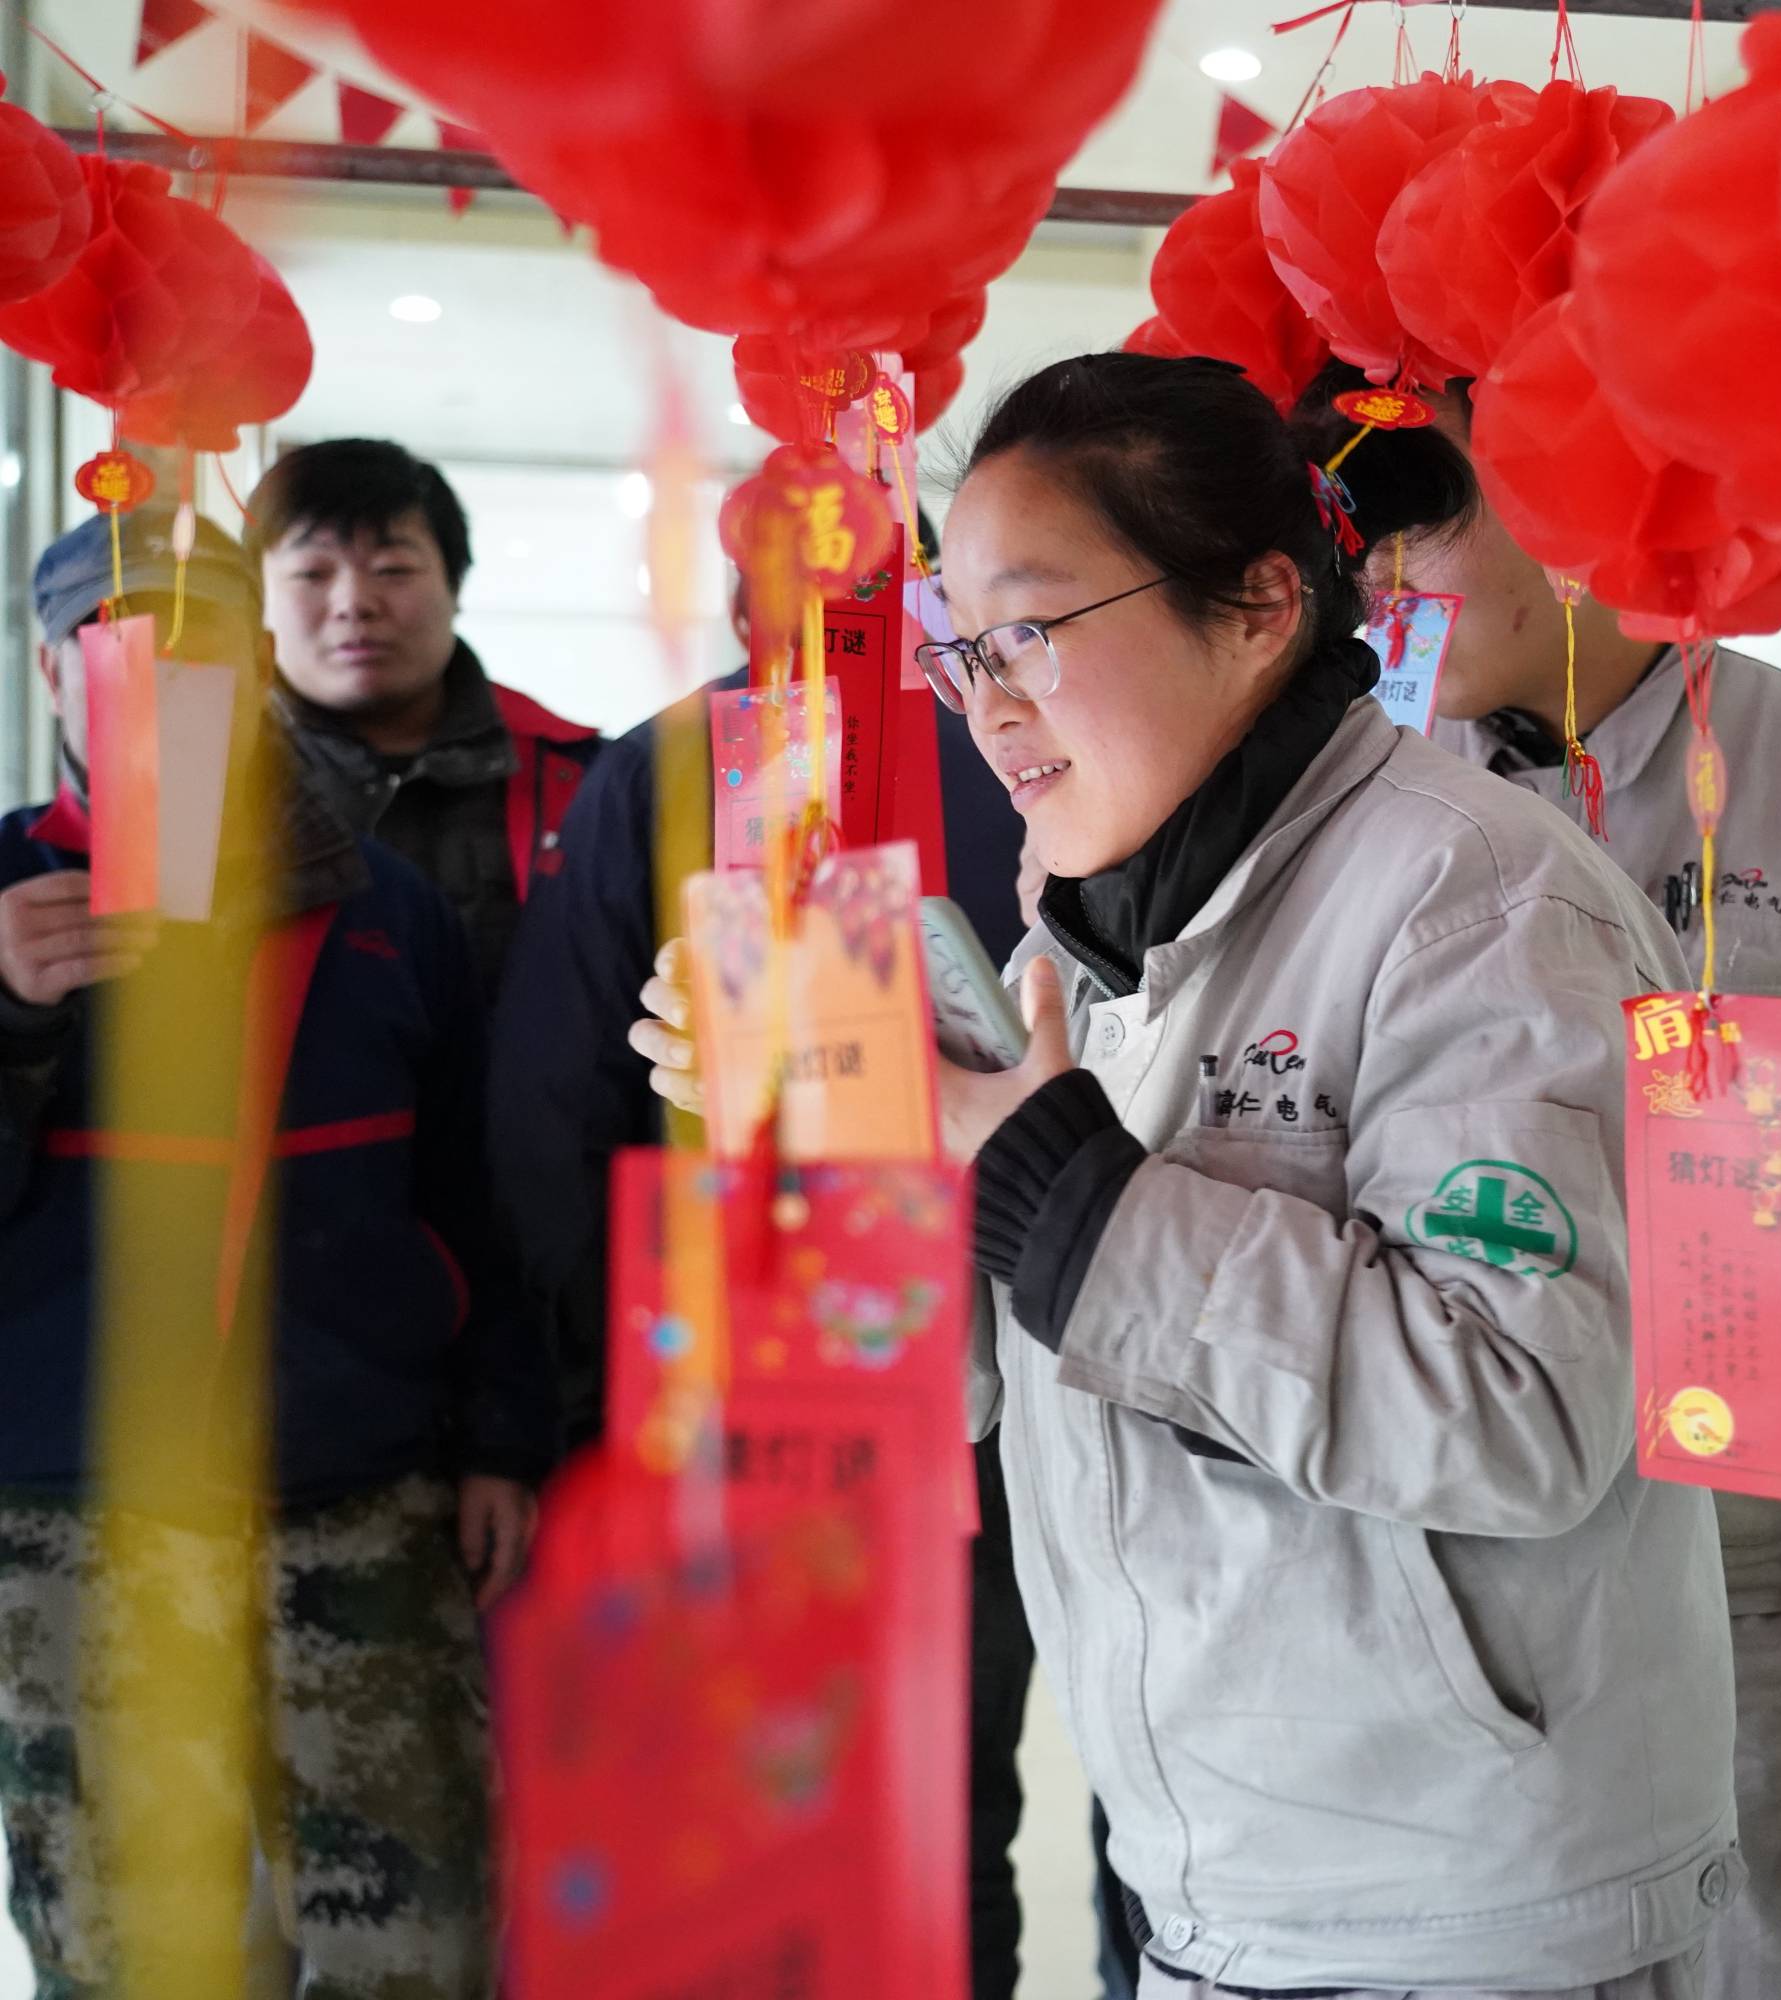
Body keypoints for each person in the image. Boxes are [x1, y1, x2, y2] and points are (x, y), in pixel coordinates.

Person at [635, 351, 1742, 1998]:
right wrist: (849, 1157)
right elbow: (977, 1386)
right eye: (961, 648)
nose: (988, 703)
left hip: (1478, 1914)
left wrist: (1063, 1193)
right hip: (1220, 1885)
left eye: (1032, 631)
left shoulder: (1487, 902)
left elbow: (1519, 1413)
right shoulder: (1078, 945)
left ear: (1259, 608)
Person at [1357, 369, 1781, 2000]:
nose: (1380, 574)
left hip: (1751, 1592)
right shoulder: (1365, 801)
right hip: (1434, 1583)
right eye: (1361, 528)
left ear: (1574, 499)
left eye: (1424, 515)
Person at [0, 508, 554, 1994]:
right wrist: (8, 1014)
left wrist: (500, 1440)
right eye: (113, 645)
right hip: (80, 1516)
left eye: (205, 649)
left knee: (420, 1937)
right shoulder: (3, 895)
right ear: (51, 673)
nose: (163, 680)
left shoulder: (385, 907)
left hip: (359, 1490)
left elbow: (474, 1192)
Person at [488, 556, 1047, 1998]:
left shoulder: (667, 769)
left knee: (750, 1807)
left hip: (749, 1380)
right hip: (1019, 1362)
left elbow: (552, 1115)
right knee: (949, 1813)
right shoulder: (1046, 741)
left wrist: (608, 1392)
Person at [246, 437, 602, 999]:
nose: (354, 602)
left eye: (393, 569)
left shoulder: (584, 779)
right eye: (312, 573)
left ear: (455, 586)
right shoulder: (209, 781)